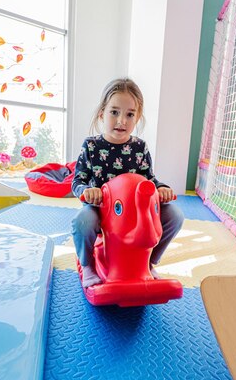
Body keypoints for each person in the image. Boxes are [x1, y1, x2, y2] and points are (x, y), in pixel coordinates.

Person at [71, 78, 185, 288]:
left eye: (129, 114)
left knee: (175, 216)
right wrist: (88, 191)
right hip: (102, 209)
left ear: (137, 117)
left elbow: (148, 179)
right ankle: (87, 264)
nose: (122, 120)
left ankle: (150, 262)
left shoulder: (139, 147)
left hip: (135, 211)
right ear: (102, 113)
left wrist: (161, 188)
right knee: (82, 222)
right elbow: (78, 180)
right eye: (114, 112)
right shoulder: (91, 145)